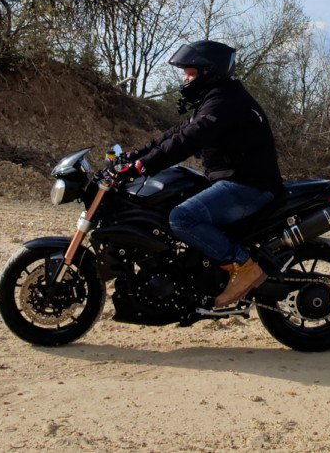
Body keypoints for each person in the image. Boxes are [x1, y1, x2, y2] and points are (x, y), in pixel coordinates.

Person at [117, 40, 283, 308]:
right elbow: (175, 135)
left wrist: (144, 166)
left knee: (182, 217)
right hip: (238, 181)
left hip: (249, 185)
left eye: (190, 73)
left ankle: (244, 265)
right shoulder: (217, 98)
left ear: (209, 71)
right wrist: (134, 158)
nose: (185, 79)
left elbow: (190, 139)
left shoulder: (224, 100)